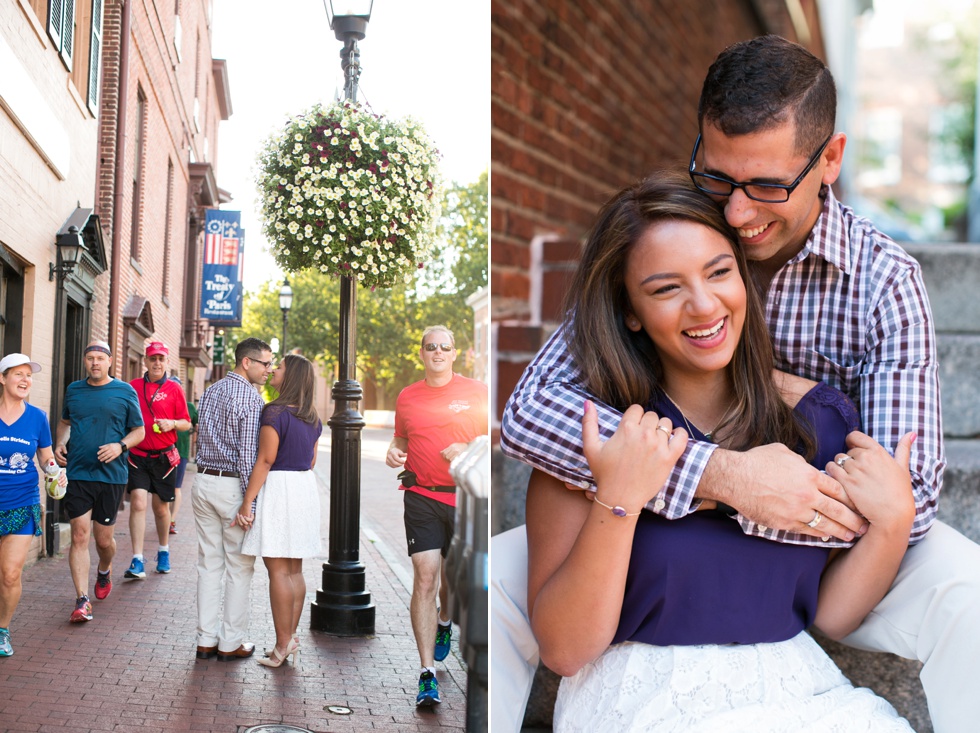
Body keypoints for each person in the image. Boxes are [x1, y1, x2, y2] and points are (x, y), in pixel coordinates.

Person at [496, 35, 980, 733]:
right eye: (718, 178)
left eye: (767, 187)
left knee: (968, 587)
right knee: (502, 580)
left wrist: (787, 471)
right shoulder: (674, 233)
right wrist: (720, 476)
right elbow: (533, 414)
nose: (738, 213)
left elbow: (908, 489)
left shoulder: (883, 281)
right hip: (661, 483)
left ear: (830, 160)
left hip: (820, 536)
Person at [527, 172, 915, 730]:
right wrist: (621, 500)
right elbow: (563, 651)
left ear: (744, 276)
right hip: (641, 698)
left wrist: (894, 521)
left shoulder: (818, 423)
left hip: (795, 690)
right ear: (629, 310)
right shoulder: (599, 433)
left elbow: (830, 613)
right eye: (666, 289)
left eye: (719, 272)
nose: (703, 305)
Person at [385, 326, 489, 707]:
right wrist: (395, 451)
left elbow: (494, 442)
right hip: (421, 497)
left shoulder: (477, 393)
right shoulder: (408, 396)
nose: (439, 353)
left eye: (445, 347)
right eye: (432, 347)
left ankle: (445, 620)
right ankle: (426, 674)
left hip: (464, 498)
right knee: (425, 578)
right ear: (422, 353)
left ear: (454, 352)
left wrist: (469, 444)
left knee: (451, 579)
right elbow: (401, 438)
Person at [235, 354, 323, 668]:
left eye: (280, 367)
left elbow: (265, 459)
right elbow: (311, 461)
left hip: (280, 489)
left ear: (291, 377)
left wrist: (248, 501)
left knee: (277, 571)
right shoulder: (312, 416)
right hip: (303, 488)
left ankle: (282, 644)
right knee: (294, 569)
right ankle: (290, 638)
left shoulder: (273, 412)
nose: (273, 369)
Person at [193, 337, 273, 662]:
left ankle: (205, 640)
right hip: (230, 488)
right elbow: (247, 456)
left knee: (209, 564)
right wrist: (248, 504)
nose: (269, 369)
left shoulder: (211, 390)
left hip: (202, 480)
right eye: (265, 363)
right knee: (240, 567)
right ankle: (231, 643)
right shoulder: (252, 400)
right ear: (247, 363)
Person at [54, 342, 144, 623]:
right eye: (90, 358)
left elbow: (138, 431)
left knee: (104, 540)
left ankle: (104, 569)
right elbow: (65, 422)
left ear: (109, 362)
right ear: (85, 362)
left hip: (112, 476)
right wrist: (59, 443)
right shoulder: (74, 390)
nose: (95, 363)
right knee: (80, 535)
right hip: (79, 473)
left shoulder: (124, 391)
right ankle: (82, 599)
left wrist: (121, 446)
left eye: (100, 358)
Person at [0, 354, 66, 656]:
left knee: (11, 574)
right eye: (18, 374)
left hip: (21, 503)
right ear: (3, 379)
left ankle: (3, 629)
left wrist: (55, 473)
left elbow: (45, 456)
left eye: (29, 375)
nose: (25, 380)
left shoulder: (37, 417)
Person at [124, 342, 191, 579]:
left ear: (167, 362)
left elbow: (187, 422)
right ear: (145, 361)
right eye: (153, 359)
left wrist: (171, 423)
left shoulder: (174, 389)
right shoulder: (133, 387)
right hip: (138, 456)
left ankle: (163, 551)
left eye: (161, 359)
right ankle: (137, 559)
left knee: (161, 508)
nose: (157, 363)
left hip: (164, 458)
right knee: (139, 503)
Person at [169, 376, 198, 536]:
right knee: (164, 489)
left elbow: (197, 424)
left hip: (181, 452)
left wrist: (197, 442)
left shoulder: (189, 407)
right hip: (163, 451)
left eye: (177, 387)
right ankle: (166, 518)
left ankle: (171, 520)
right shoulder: (163, 403)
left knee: (176, 487)